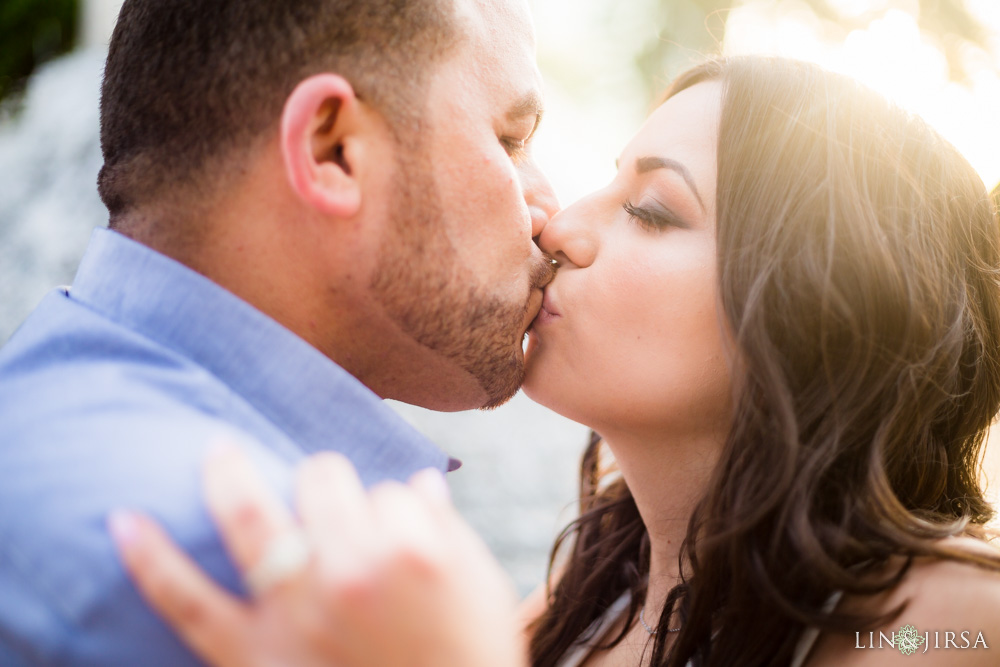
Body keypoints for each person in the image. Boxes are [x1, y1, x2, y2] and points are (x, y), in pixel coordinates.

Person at [112, 56, 1000, 666]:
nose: (559, 225)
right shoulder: (583, 602)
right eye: (605, 187)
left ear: (825, 309)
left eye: (652, 210)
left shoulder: (947, 628)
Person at [0, 0, 560, 663]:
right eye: (512, 139)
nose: (547, 208)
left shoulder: (44, 398)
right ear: (332, 149)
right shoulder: (257, 575)